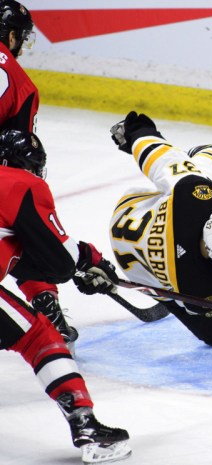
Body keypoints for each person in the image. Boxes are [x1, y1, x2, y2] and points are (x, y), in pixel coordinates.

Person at [0, 129, 131, 463]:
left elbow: (22, 254)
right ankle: (87, 427)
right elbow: (58, 259)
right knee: (39, 338)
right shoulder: (21, 184)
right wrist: (90, 262)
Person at [107, 111, 212, 347]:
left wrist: (138, 131)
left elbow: (162, 160)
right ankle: (211, 153)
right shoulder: (201, 287)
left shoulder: (192, 199)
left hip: (130, 213)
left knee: (190, 174)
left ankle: (211, 154)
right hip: (139, 270)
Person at [0, 0, 81, 347]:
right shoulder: (21, 83)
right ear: (13, 34)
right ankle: (44, 298)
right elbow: (17, 167)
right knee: (21, 220)